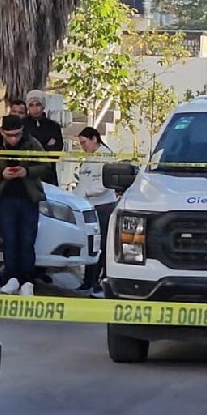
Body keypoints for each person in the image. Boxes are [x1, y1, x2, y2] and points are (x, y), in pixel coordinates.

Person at [0, 115, 53, 296]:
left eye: (17, 135)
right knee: (9, 240)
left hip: (28, 198)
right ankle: (12, 278)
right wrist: (1, 174)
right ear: (2, 132)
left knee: (27, 241)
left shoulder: (31, 143)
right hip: (5, 199)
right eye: (10, 135)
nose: (14, 139)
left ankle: (27, 280)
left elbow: (46, 166)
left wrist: (26, 171)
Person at [74, 127, 118, 298]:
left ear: (94, 139)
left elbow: (103, 185)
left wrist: (85, 192)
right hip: (89, 206)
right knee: (91, 246)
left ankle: (98, 283)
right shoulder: (90, 158)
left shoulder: (105, 157)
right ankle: (88, 282)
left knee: (100, 247)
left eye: (84, 143)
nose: (83, 146)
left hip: (103, 206)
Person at [23, 90, 65, 186]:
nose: (35, 108)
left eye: (38, 104)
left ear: (43, 106)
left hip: (48, 175)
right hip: (27, 175)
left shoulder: (53, 126)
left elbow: (57, 151)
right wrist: (46, 146)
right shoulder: (22, 125)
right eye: (31, 105)